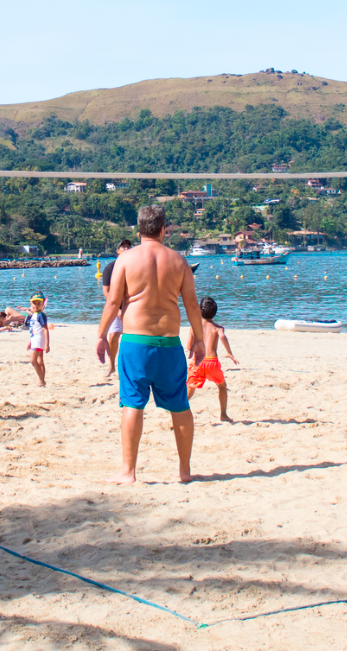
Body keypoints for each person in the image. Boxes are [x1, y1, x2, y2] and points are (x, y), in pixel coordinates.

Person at [96, 204, 205, 484]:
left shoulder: (125, 260)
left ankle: (128, 472)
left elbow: (113, 302)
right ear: (163, 229)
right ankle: (184, 471)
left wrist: (101, 335)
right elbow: (192, 305)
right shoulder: (179, 261)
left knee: (133, 404)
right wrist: (199, 339)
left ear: (139, 229)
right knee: (180, 405)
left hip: (135, 342)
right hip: (169, 343)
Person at [187, 297, 237, 422]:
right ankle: (223, 414)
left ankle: (178, 410)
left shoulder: (194, 327)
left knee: (190, 388)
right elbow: (222, 336)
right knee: (222, 386)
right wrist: (229, 352)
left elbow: (188, 346)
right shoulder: (218, 328)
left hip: (198, 362)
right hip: (211, 362)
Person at [98, 239, 133, 379]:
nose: (126, 249)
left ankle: (128, 367)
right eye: (123, 247)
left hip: (132, 307)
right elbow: (106, 291)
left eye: (128, 247)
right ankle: (112, 365)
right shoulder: (110, 268)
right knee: (113, 336)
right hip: (115, 307)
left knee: (131, 338)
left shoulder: (135, 266)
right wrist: (117, 308)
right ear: (117, 251)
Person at [25, 293, 53, 386]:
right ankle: (42, 380)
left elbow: (45, 329)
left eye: (39, 303)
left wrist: (47, 344)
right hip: (35, 340)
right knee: (40, 361)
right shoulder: (34, 315)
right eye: (34, 303)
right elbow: (34, 330)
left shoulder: (41, 315)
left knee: (33, 360)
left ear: (42, 304)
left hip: (39, 341)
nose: (36, 305)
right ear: (31, 304)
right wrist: (30, 342)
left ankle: (42, 380)